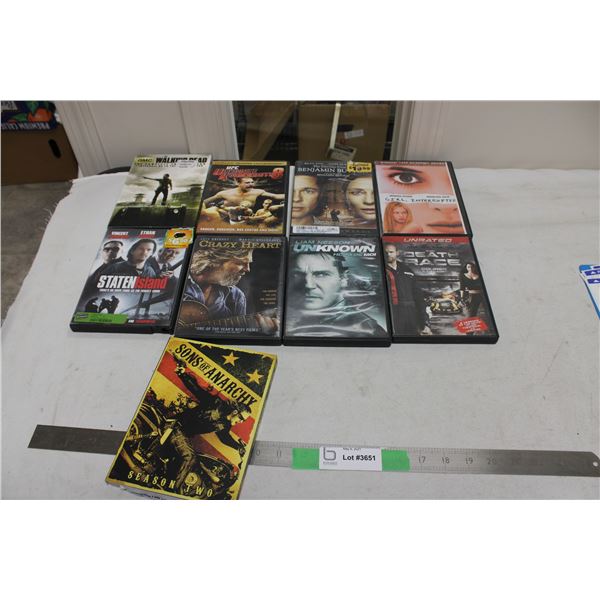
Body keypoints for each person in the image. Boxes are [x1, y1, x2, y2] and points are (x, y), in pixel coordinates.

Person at [287, 251, 387, 337]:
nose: (308, 285)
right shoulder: (299, 319)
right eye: (298, 274)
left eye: (321, 274)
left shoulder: (365, 329)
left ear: (344, 278)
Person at [181, 246, 278, 332]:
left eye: (248, 263)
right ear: (213, 261)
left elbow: (238, 334)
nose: (247, 269)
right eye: (240, 263)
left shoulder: (237, 296)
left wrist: (256, 331)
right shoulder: (177, 280)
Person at [383, 243, 431, 336]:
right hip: (392, 313)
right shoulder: (379, 270)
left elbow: (419, 298)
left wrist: (425, 323)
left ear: (397, 253)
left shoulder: (407, 270)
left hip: (410, 314)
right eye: (386, 252)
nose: (388, 254)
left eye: (391, 252)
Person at [203, 177, 284, 212]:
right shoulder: (224, 193)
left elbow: (276, 196)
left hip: (247, 217)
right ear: (238, 183)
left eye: (252, 182)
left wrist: (290, 195)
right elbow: (204, 202)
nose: (251, 184)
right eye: (247, 183)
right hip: (227, 217)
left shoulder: (257, 192)